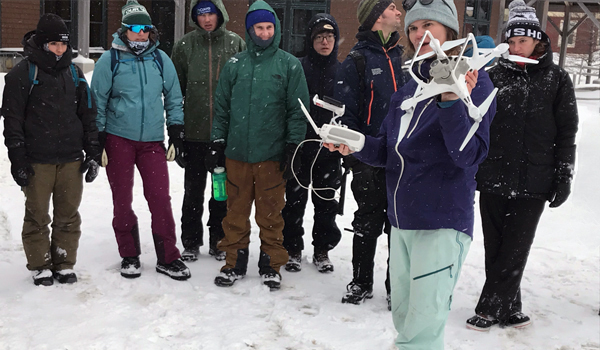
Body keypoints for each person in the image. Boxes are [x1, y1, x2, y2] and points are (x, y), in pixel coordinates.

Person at [326, 0, 496, 347]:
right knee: (405, 318)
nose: (419, 34)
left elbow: (467, 154)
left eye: (429, 26)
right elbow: (392, 154)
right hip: (402, 222)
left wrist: (450, 98)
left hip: (441, 222)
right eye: (414, 28)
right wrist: (355, 143)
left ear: (450, 31)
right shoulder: (409, 89)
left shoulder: (474, 80)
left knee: (422, 328)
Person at [467, 0, 579, 331]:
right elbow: (475, 122)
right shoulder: (493, 76)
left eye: (523, 41)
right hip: (492, 175)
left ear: (538, 41)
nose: (516, 47)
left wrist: (563, 176)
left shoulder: (556, 79)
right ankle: (511, 306)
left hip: (535, 178)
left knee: (517, 245)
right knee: (496, 244)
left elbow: (567, 132)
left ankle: (489, 307)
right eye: (512, 41)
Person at [206, 0, 309, 291]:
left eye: (268, 27)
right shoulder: (234, 65)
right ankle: (234, 261)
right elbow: (222, 108)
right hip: (237, 154)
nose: (264, 33)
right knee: (234, 211)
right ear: (250, 31)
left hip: (271, 156)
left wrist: (293, 147)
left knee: (271, 213)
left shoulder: (288, 65)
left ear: (275, 29)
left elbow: (296, 110)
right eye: (258, 28)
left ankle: (270, 263)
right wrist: (217, 142)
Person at [91, 0, 190, 281]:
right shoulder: (110, 60)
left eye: (146, 28)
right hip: (119, 138)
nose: (141, 34)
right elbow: (97, 100)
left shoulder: (160, 59)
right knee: (122, 199)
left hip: (152, 141)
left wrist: (176, 131)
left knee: (160, 198)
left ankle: (168, 256)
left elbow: (173, 98)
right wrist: (98, 138)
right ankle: (129, 254)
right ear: (124, 30)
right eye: (135, 28)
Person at [2, 13, 100, 286]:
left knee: (68, 214)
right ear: (43, 43)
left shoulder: (74, 72)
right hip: (37, 160)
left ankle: (64, 262)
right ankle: (40, 264)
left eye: (64, 45)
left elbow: (88, 113)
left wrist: (92, 152)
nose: (60, 50)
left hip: (70, 158)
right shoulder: (23, 74)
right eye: (54, 44)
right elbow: (13, 122)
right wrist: (18, 159)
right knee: (37, 215)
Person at [334, 0, 406, 306]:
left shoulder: (405, 59)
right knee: (366, 222)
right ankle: (360, 282)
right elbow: (347, 114)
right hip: (368, 159)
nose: (400, 12)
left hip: (403, 160)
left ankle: (396, 287)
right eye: (392, 7)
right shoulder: (357, 61)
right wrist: (355, 156)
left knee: (399, 227)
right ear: (376, 17)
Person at [171, 0, 246, 262]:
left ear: (220, 14)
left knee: (220, 192)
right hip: (194, 133)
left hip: (224, 135)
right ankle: (190, 241)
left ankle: (219, 240)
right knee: (192, 192)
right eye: (201, 15)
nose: (206, 19)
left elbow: (243, 88)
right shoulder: (184, 45)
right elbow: (174, 90)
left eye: (211, 13)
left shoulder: (235, 44)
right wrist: (177, 131)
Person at [281, 13, 342, 274]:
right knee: (294, 201)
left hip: (329, 149)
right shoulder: (298, 67)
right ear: (310, 40)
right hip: (300, 146)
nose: (325, 42)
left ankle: (322, 249)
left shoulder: (343, 70)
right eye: (319, 37)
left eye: (329, 36)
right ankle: (292, 248)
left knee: (326, 202)